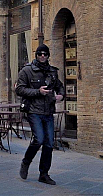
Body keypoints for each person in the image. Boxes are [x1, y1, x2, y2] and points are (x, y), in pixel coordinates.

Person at [16, 44, 65, 185]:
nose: (42, 56)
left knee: (49, 143)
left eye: (45, 54)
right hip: (33, 110)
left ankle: (44, 174)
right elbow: (19, 90)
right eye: (40, 54)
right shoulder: (27, 71)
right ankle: (26, 162)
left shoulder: (52, 71)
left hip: (48, 111)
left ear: (48, 56)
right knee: (39, 139)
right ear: (36, 55)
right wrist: (38, 91)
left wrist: (61, 95)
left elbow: (60, 86)